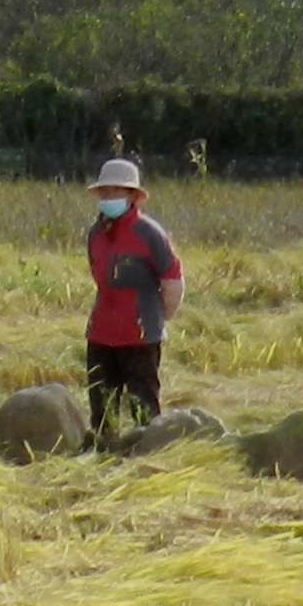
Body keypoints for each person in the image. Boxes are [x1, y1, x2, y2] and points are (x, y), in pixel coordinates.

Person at [84, 157, 183, 436]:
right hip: (101, 332)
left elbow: (172, 281)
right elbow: (98, 277)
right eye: (106, 191)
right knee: (102, 408)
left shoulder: (149, 233)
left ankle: (146, 456)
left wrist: (157, 318)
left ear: (132, 196)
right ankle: (105, 453)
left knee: (143, 407)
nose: (109, 196)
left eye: (117, 191)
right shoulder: (95, 234)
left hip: (139, 337)